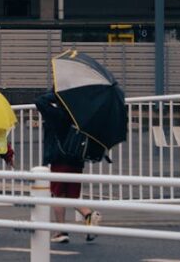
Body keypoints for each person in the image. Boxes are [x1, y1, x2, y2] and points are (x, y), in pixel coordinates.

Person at [35, 92, 103, 244]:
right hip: (77, 158)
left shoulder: (57, 114)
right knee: (71, 195)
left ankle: (62, 230)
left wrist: (56, 93)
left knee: (58, 195)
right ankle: (89, 216)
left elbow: (39, 101)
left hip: (60, 157)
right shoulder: (81, 114)